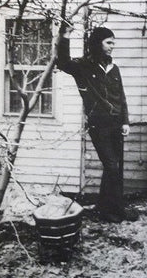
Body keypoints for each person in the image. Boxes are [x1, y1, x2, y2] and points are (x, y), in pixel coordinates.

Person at [57, 27, 138, 223]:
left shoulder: (114, 69)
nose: (112, 46)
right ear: (97, 43)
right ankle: (113, 212)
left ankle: (105, 207)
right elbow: (63, 62)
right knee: (112, 166)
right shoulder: (84, 67)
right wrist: (65, 37)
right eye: (109, 42)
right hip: (98, 125)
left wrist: (125, 121)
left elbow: (121, 97)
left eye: (113, 43)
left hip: (116, 124)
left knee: (115, 167)